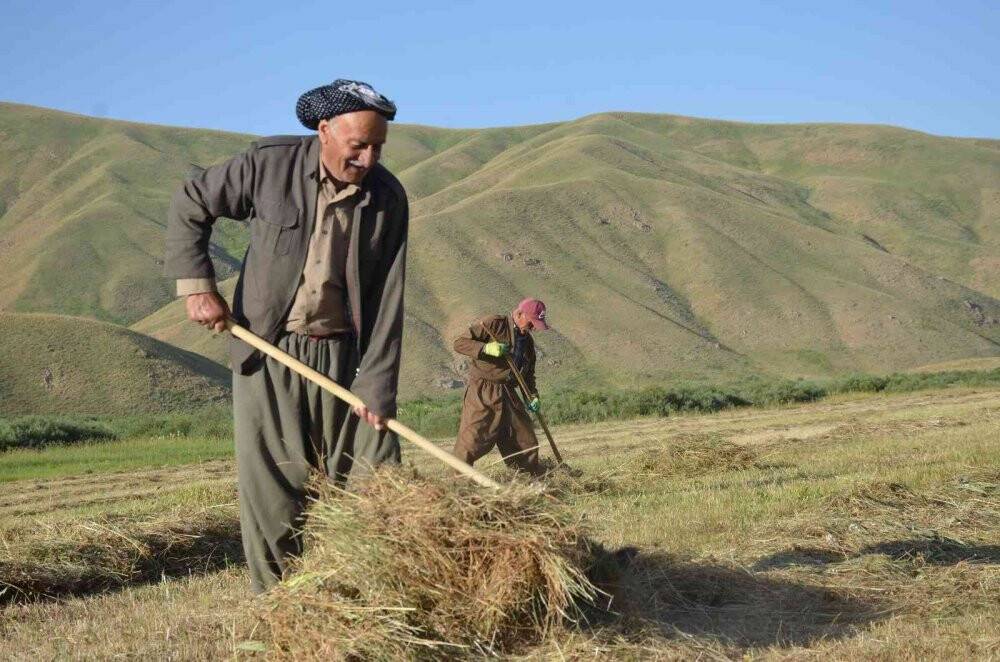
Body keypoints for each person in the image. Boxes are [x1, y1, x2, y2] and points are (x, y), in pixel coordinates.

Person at [164, 79, 408, 593]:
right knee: (276, 491)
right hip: (269, 352)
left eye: (378, 147)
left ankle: (378, 600)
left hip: (347, 358)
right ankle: (283, 612)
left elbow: (389, 294)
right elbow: (192, 200)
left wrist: (380, 384)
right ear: (325, 131)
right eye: (357, 145)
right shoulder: (269, 166)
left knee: (377, 478)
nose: (367, 158)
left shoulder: (388, 198)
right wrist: (197, 287)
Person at [452, 298, 550, 475]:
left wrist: (532, 396)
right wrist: (486, 348)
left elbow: (527, 376)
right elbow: (459, 343)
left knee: (525, 440)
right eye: (531, 323)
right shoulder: (495, 324)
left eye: (536, 324)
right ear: (519, 314)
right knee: (471, 440)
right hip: (483, 391)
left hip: (508, 393)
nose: (533, 328)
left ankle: (528, 480)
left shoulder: (527, 343)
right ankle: (456, 483)